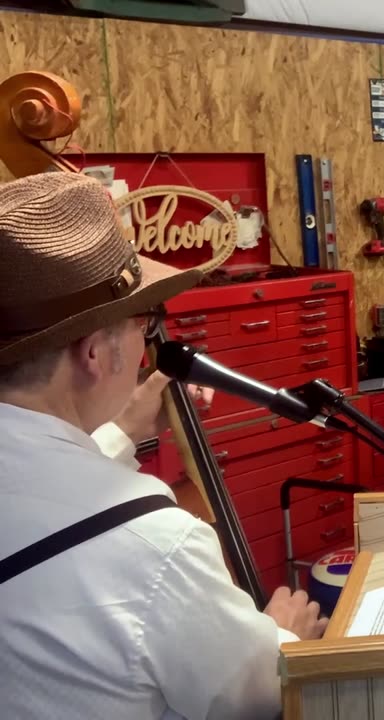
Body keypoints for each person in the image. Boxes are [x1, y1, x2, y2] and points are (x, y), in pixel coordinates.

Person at [0, 172, 326, 719]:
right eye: (146, 324)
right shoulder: (155, 542)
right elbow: (257, 699)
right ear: (96, 353)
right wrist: (284, 638)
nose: (151, 343)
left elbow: (45, 501)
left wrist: (121, 430)